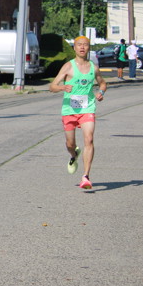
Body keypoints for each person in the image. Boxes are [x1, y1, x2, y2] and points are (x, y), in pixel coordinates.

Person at [49, 35, 107, 190]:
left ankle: (85, 176)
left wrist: (101, 93)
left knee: (89, 139)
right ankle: (73, 154)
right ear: (74, 47)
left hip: (87, 108)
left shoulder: (93, 68)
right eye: (79, 44)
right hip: (69, 110)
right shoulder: (68, 66)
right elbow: (52, 86)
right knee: (70, 144)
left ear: (89, 48)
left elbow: (102, 83)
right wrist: (62, 87)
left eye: (85, 45)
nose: (82, 47)